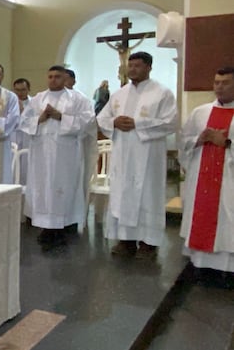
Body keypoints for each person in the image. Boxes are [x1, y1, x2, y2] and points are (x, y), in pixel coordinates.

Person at [97, 52, 177, 258]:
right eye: (130, 65)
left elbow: (170, 122)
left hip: (148, 156)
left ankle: (149, 243)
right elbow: (103, 117)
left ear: (149, 67)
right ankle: (126, 241)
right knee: (123, 195)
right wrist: (114, 122)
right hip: (123, 155)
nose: (132, 69)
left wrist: (138, 124)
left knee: (148, 196)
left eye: (137, 66)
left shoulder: (162, 93)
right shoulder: (119, 94)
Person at [19, 65, 95, 247]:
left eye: (58, 77)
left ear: (65, 79)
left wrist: (61, 116)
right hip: (41, 154)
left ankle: (64, 227)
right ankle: (46, 228)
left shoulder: (78, 99)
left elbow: (88, 121)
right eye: (50, 76)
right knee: (43, 187)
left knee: (64, 187)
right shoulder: (38, 99)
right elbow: (23, 121)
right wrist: (40, 118)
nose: (53, 80)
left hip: (66, 155)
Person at [180, 67, 234, 279]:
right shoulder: (200, 112)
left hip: (229, 180)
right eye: (216, 83)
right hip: (202, 176)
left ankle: (228, 270)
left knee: (227, 219)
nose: (219, 87)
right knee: (202, 214)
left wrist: (227, 143)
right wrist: (198, 140)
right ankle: (201, 264)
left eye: (226, 83)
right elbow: (184, 140)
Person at [64, 68, 99, 222]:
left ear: (73, 81)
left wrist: (63, 120)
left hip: (75, 149)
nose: (61, 82)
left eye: (65, 79)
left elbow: (88, 122)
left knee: (75, 183)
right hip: (53, 152)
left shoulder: (82, 100)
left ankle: (73, 218)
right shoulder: (48, 98)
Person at [11, 78, 32, 184]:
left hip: (28, 138)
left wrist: (22, 111)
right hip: (13, 136)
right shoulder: (9, 103)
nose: (19, 93)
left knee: (26, 166)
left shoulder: (34, 103)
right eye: (17, 90)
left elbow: (36, 121)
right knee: (13, 165)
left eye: (23, 90)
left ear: (28, 89)